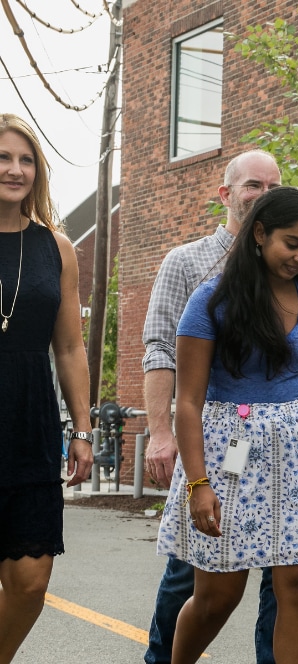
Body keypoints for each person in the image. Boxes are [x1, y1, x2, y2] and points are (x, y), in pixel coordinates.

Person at [155, 186, 298, 664]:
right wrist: (198, 483)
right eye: (290, 243)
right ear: (259, 233)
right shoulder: (211, 301)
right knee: (218, 596)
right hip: (228, 454)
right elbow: (189, 401)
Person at [141, 149, 282, 664]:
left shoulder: (290, 264)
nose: (263, 196)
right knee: (198, 562)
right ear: (226, 194)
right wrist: (162, 434)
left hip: (284, 439)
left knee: (283, 569)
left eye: (272, 187)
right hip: (229, 441)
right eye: (252, 186)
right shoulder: (189, 263)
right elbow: (159, 349)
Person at [0, 113, 93, 664]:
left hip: (31, 421)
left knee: (31, 582)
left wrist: (81, 428)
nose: (15, 169)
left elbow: (71, 348)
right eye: (4, 158)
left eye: (25, 159)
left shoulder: (56, 248)